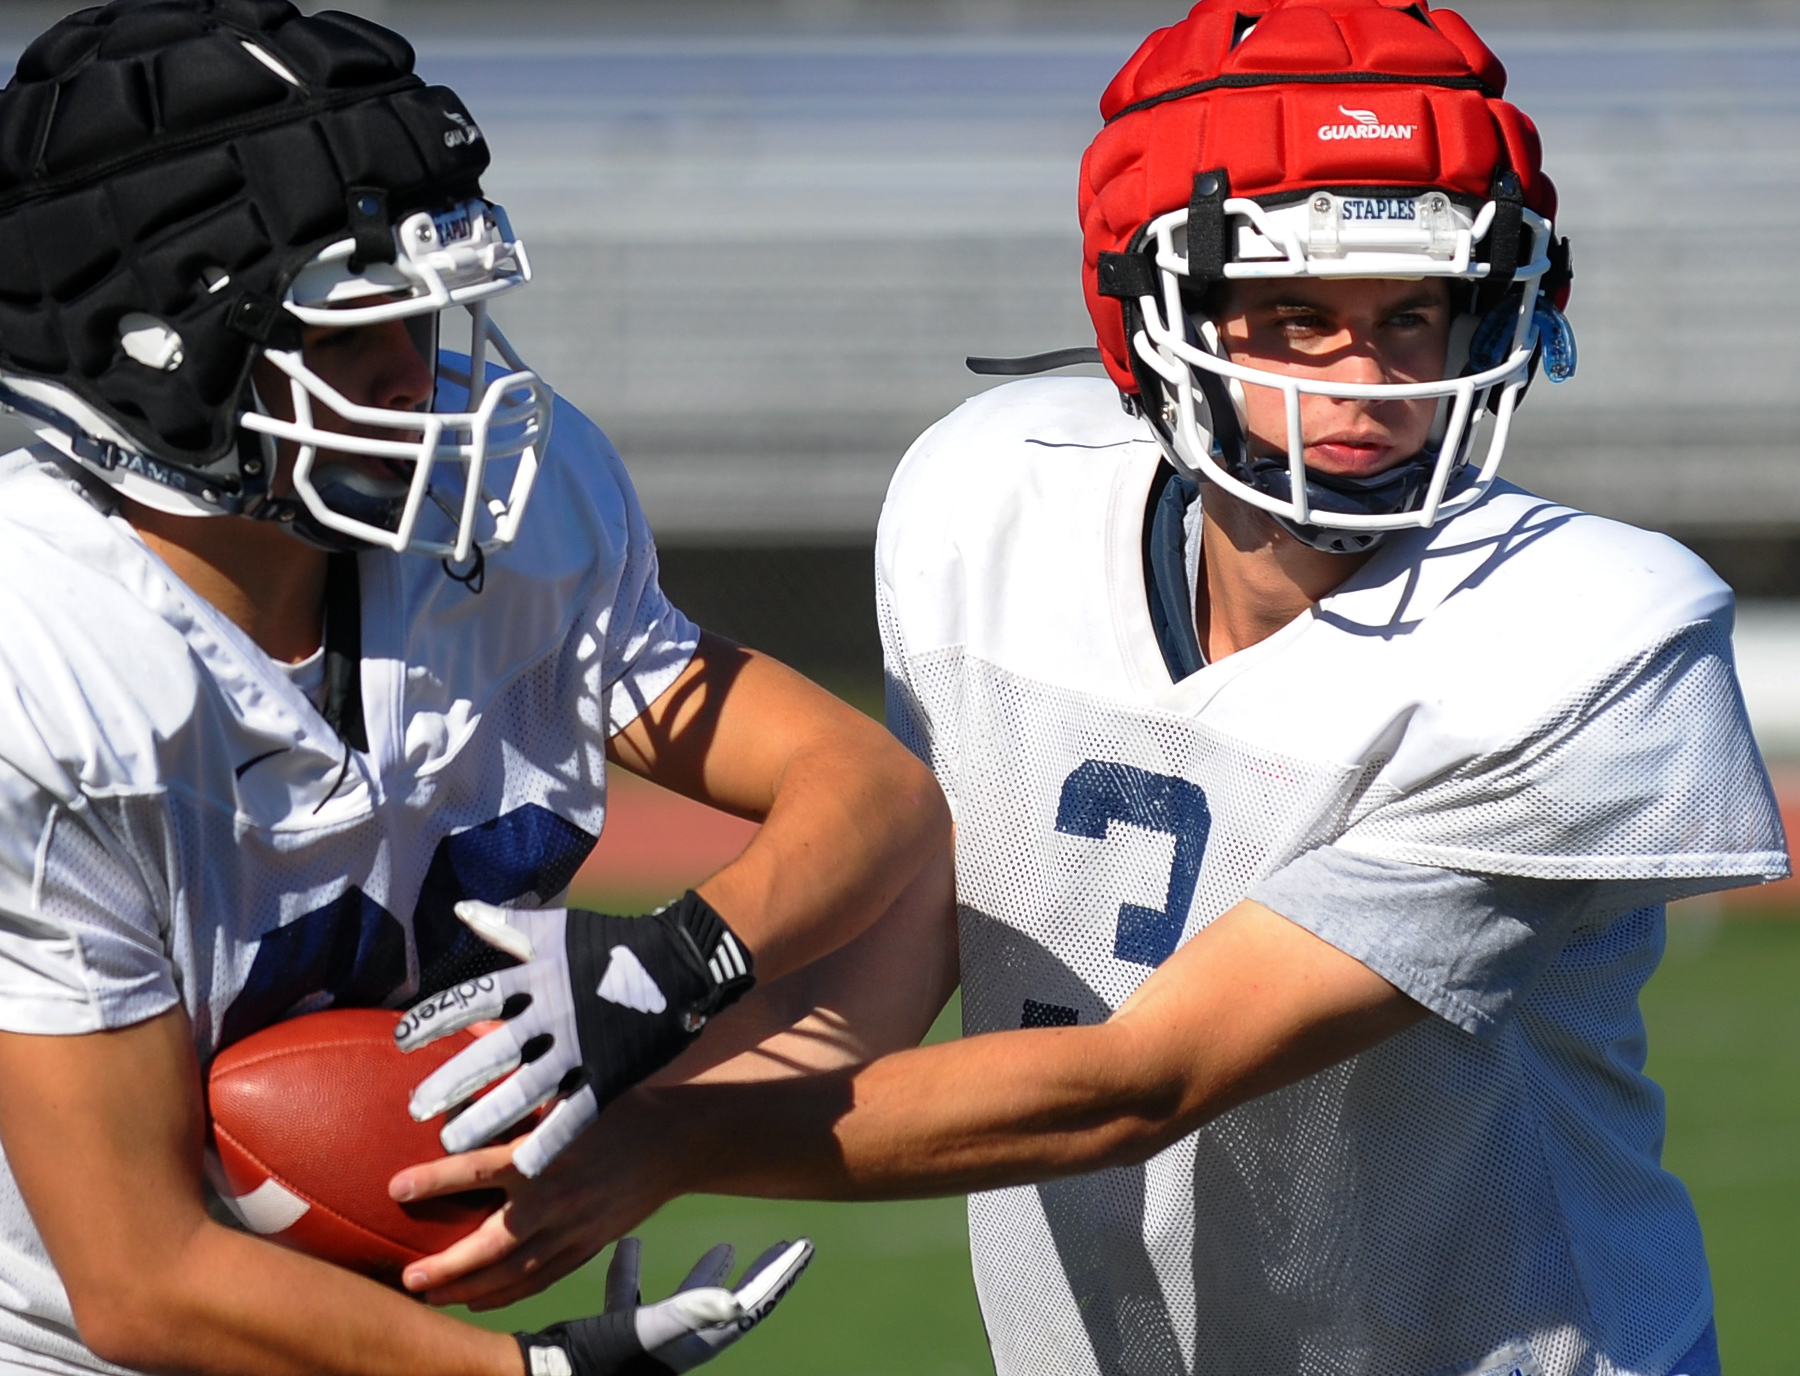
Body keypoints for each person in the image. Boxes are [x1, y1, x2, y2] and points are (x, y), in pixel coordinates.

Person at [391, 3, 1790, 1375]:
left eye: (1414, 313)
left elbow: (1143, 1081)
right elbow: (894, 966)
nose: (1363, 382)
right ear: (1151, 316)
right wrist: (568, 1117)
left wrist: (664, 1140)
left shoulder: (1588, 637)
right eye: (1295, 319)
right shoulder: (993, 499)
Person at [0, 3, 951, 1376]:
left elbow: (869, 794)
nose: (424, 380)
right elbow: (143, 1280)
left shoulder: (510, 514)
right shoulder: (50, 653)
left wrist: (668, 972)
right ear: (169, 362)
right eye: (356, 335)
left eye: (429, 314)